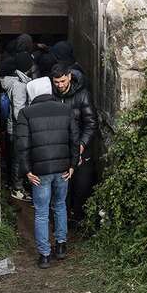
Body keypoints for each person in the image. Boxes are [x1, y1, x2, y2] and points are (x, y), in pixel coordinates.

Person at [15, 77, 81, 269]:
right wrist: (72, 164)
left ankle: (44, 255)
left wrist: (26, 170)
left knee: (42, 212)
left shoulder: (26, 113)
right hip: (62, 169)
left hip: (40, 171)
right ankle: (61, 245)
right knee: (60, 205)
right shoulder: (65, 109)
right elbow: (74, 139)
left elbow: (22, 145)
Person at [50, 62, 98, 224]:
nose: (60, 85)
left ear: (69, 76)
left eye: (63, 81)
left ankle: (79, 218)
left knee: (82, 185)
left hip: (81, 147)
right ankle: (62, 219)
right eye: (56, 82)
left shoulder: (82, 94)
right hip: (61, 148)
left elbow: (91, 123)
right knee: (62, 185)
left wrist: (81, 146)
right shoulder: (51, 94)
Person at [0, 54, 34, 201]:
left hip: (13, 128)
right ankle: (17, 189)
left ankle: (12, 184)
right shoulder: (19, 85)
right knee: (19, 160)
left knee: (14, 158)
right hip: (18, 129)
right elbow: (18, 111)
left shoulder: (12, 81)